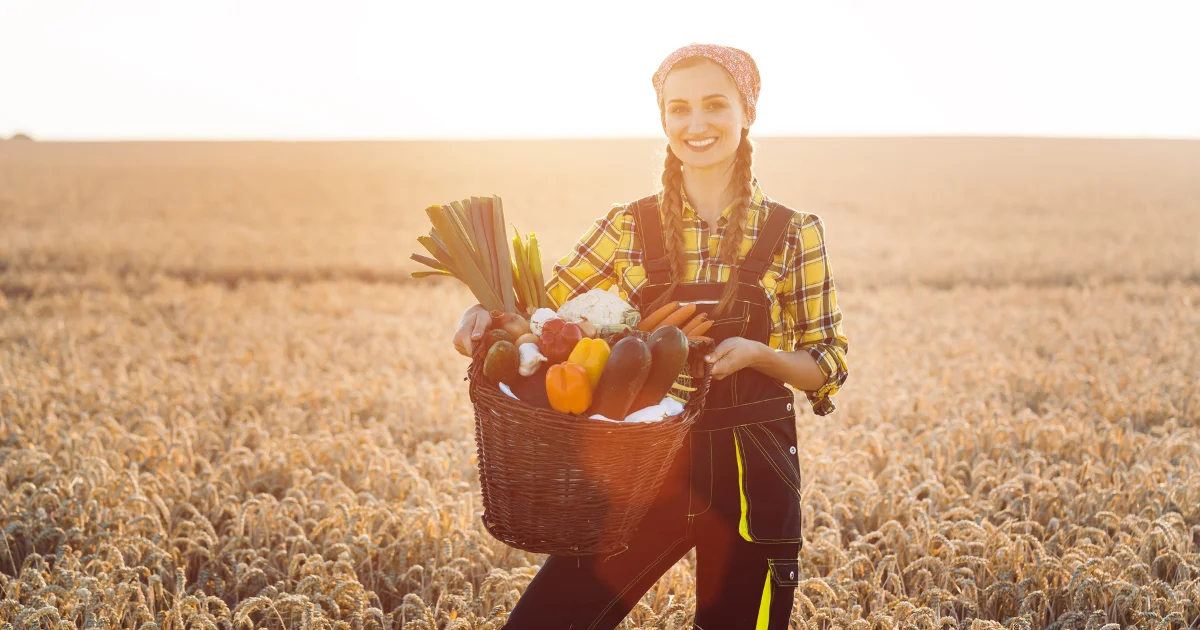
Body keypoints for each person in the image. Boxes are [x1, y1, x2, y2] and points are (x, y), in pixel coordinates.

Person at [451, 43, 849, 630]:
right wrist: (482, 313)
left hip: (752, 474)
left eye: (715, 105)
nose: (696, 124)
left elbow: (828, 362)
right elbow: (539, 315)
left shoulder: (793, 233)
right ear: (663, 119)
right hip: (641, 469)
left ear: (748, 112)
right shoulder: (627, 225)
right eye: (678, 109)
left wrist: (763, 355)